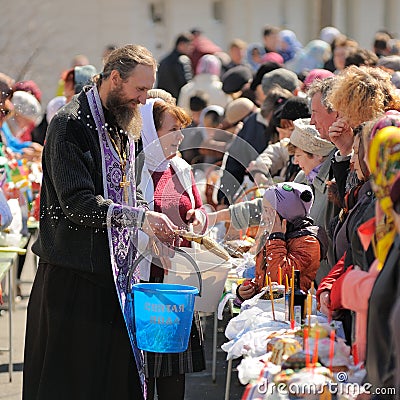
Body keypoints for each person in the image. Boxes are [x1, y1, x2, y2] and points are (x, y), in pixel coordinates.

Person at [23, 44, 180, 400]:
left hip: (113, 276)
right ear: (114, 78)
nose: (144, 100)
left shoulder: (123, 120)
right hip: (73, 278)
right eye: (139, 89)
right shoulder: (70, 124)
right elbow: (77, 204)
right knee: (73, 384)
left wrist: (148, 223)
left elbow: (126, 189)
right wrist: (141, 218)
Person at [137, 98, 207, 400]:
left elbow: (200, 211)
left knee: (173, 374)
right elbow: (123, 222)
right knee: (143, 370)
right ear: (151, 131)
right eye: (173, 130)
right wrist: (151, 244)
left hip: (176, 283)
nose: (180, 137)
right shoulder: (133, 170)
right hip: (143, 284)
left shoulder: (180, 167)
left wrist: (197, 218)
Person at [236, 181, 327, 302]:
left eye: (268, 211)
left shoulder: (308, 242)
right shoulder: (272, 236)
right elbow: (263, 277)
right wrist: (248, 290)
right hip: (268, 307)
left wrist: (276, 238)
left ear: (285, 215)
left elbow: (278, 281)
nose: (264, 216)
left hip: (290, 311)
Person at [156, 32, 194, 101]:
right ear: (181, 45)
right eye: (189, 45)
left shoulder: (163, 60)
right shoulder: (183, 60)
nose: (191, 48)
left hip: (163, 99)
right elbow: (187, 85)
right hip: (178, 101)